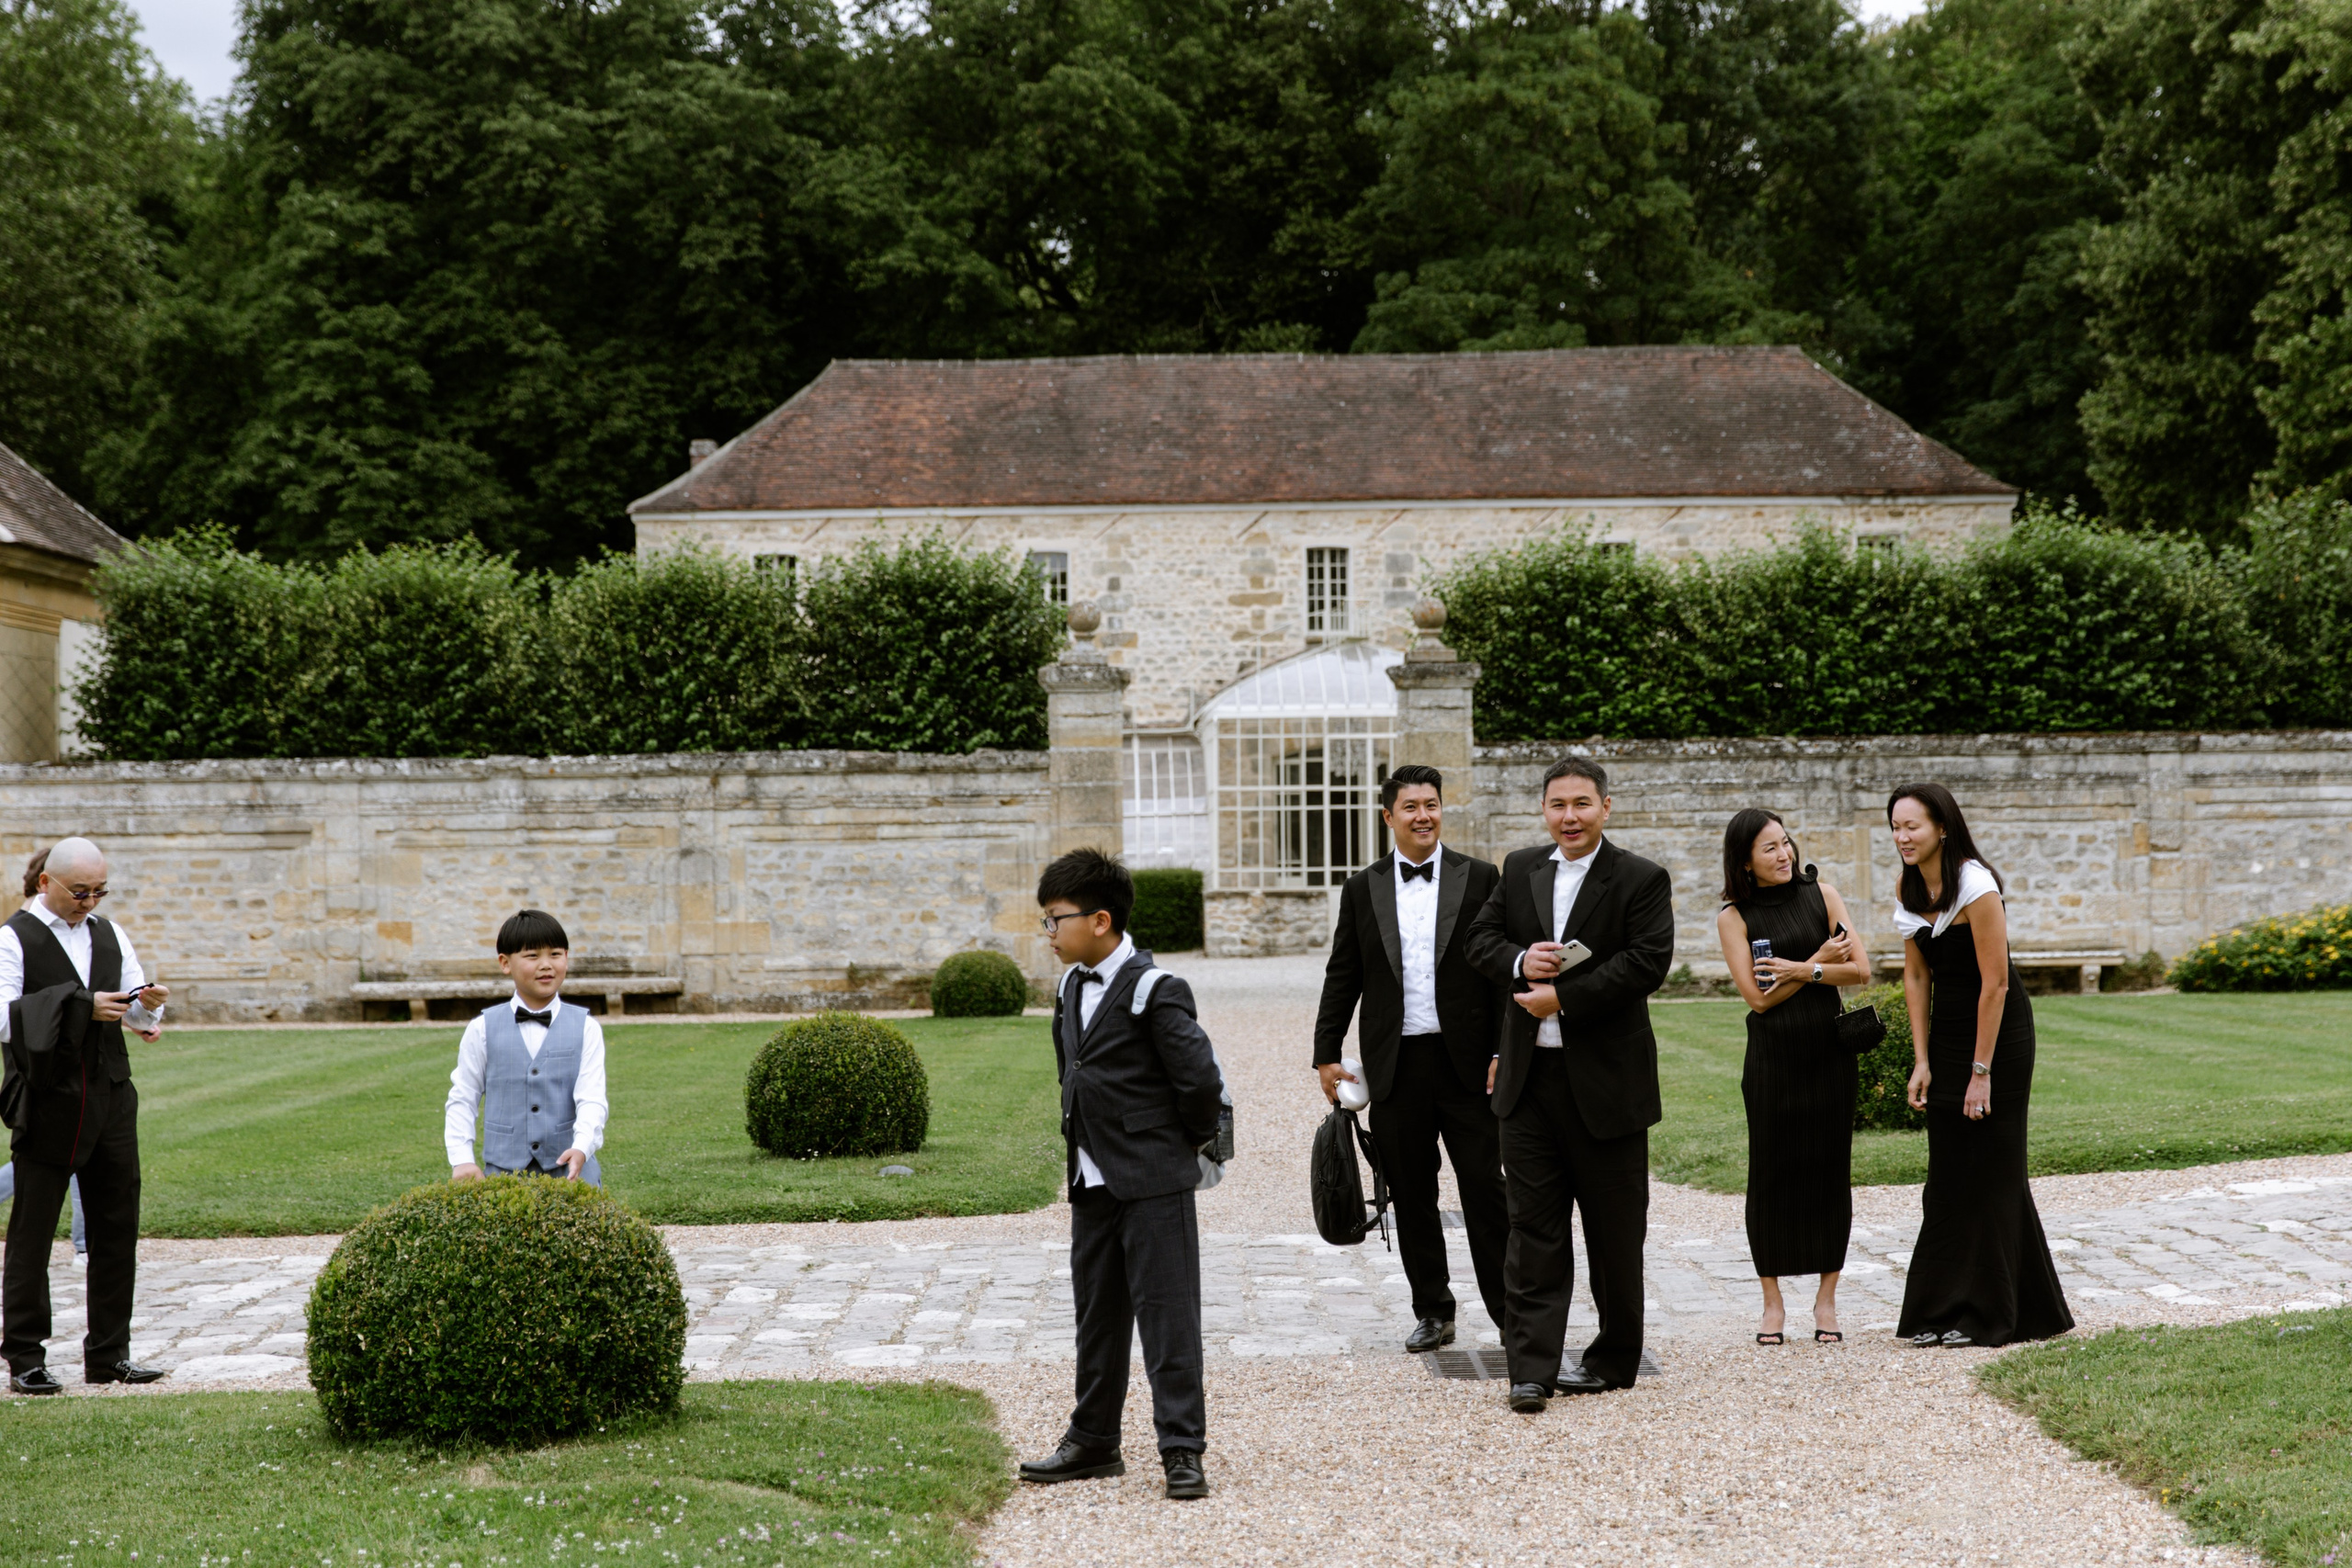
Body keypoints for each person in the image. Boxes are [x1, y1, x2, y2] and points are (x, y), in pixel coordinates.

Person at [1465, 755, 1674, 1414]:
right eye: (1558, 804)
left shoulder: (1640, 877)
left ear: (1605, 807)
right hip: (1529, 1084)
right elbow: (1480, 940)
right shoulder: (1521, 867)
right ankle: (1531, 1368)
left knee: (1615, 1233)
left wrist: (1565, 997)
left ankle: (1613, 1359)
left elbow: (1648, 961)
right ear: (1544, 810)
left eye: (1582, 803)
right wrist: (1522, 959)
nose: (1570, 816)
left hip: (1608, 1084)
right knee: (1532, 1232)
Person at [1019, 849, 1225, 1501]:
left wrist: (1175, 1150)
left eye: (1056, 920)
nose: (1049, 933)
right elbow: (1070, 1070)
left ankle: (1182, 1449)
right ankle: (1094, 1440)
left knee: (1168, 1317)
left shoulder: (1154, 988)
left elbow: (1199, 1082)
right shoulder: (1069, 985)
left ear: (1100, 919)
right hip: (1090, 1180)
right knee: (1098, 1318)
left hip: (1154, 1181)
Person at [1312, 762, 1508, 1354]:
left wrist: (1504, 1048)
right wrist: (1325, 1054)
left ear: (1441, 809)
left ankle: (1509, 1311)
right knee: (1410, 1192)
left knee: (1485, 1189)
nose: (1423, 815)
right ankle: (1433, 1310)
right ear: (1388, 816)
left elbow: (1501, 971)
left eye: (1432, 805)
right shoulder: (1361, 887)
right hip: (1396, 1067)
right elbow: (1342, 973)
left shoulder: (1481, 878)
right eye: (1411, 807)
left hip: (1469, 1064)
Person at [1886, 784, 2073, 1348]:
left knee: (1992, 1167)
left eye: (1912, 826)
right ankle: (1939, 1309)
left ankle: (1992, 1313)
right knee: (1947, 1174)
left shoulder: (1976, 885)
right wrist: (1921, 1060)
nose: (1902, 837)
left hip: (1999, 1037)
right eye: (1895, 827)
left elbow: (1994, 984)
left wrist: (1980, 1072)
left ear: (1942, 826)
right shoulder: (1908, 884)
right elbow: (1917, 976)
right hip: (1946, 1033)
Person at [0, 837, 170, 1394]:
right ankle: (25, 1358)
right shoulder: (12, 941)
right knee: (32, 1233)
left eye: (100, 891)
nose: (89, 902)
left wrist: (147, 1002)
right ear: (45, 882)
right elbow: (4, 1019)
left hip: (111, 1094)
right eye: (80, 891)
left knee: (117, 1227)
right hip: (48, 1100)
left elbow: (136, 1012)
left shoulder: (110, 933)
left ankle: (109, 1354)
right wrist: (79, 1006)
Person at [1714, 809, 1870, 1347]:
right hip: (1773, 1060)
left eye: (1785, 843)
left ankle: (1826, 1301)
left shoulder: (1822, 895)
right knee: (1772, 1174)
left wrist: (1803, 968)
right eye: (1769, 849)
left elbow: (1860, 970)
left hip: (1829, 1055)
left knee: (1830, 1171)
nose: (1783, 855)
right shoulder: (1735, 917)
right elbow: (1758, 999)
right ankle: (1772, 1304)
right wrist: (1821, 961)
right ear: (1745, 862)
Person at [445, 909, 606, 1186]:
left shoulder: (586, 1027)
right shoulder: (482, 1028)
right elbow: (463, 1097)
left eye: (555, 954)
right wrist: (462, 1158)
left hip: (571, 1174)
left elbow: (591, 1097)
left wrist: (582, 1146)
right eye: (533, 956)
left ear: (566, 957)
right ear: (505, 963)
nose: (546, 965)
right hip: (503, 1176)